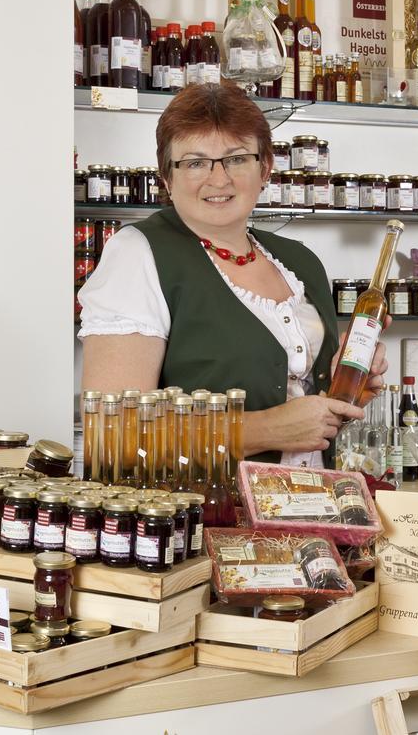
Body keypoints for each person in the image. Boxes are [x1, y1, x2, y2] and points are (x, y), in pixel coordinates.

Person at [78, 82, 388, 466]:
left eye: (237, 158)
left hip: (310, 508)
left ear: (265, 168)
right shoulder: (139, 253)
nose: (219, 179)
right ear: (166, 178)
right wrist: (266, 429)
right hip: (204, 518)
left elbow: (308, 415)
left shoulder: (300, 262)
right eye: (194, 162)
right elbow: (113, 435)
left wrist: (349, 390)